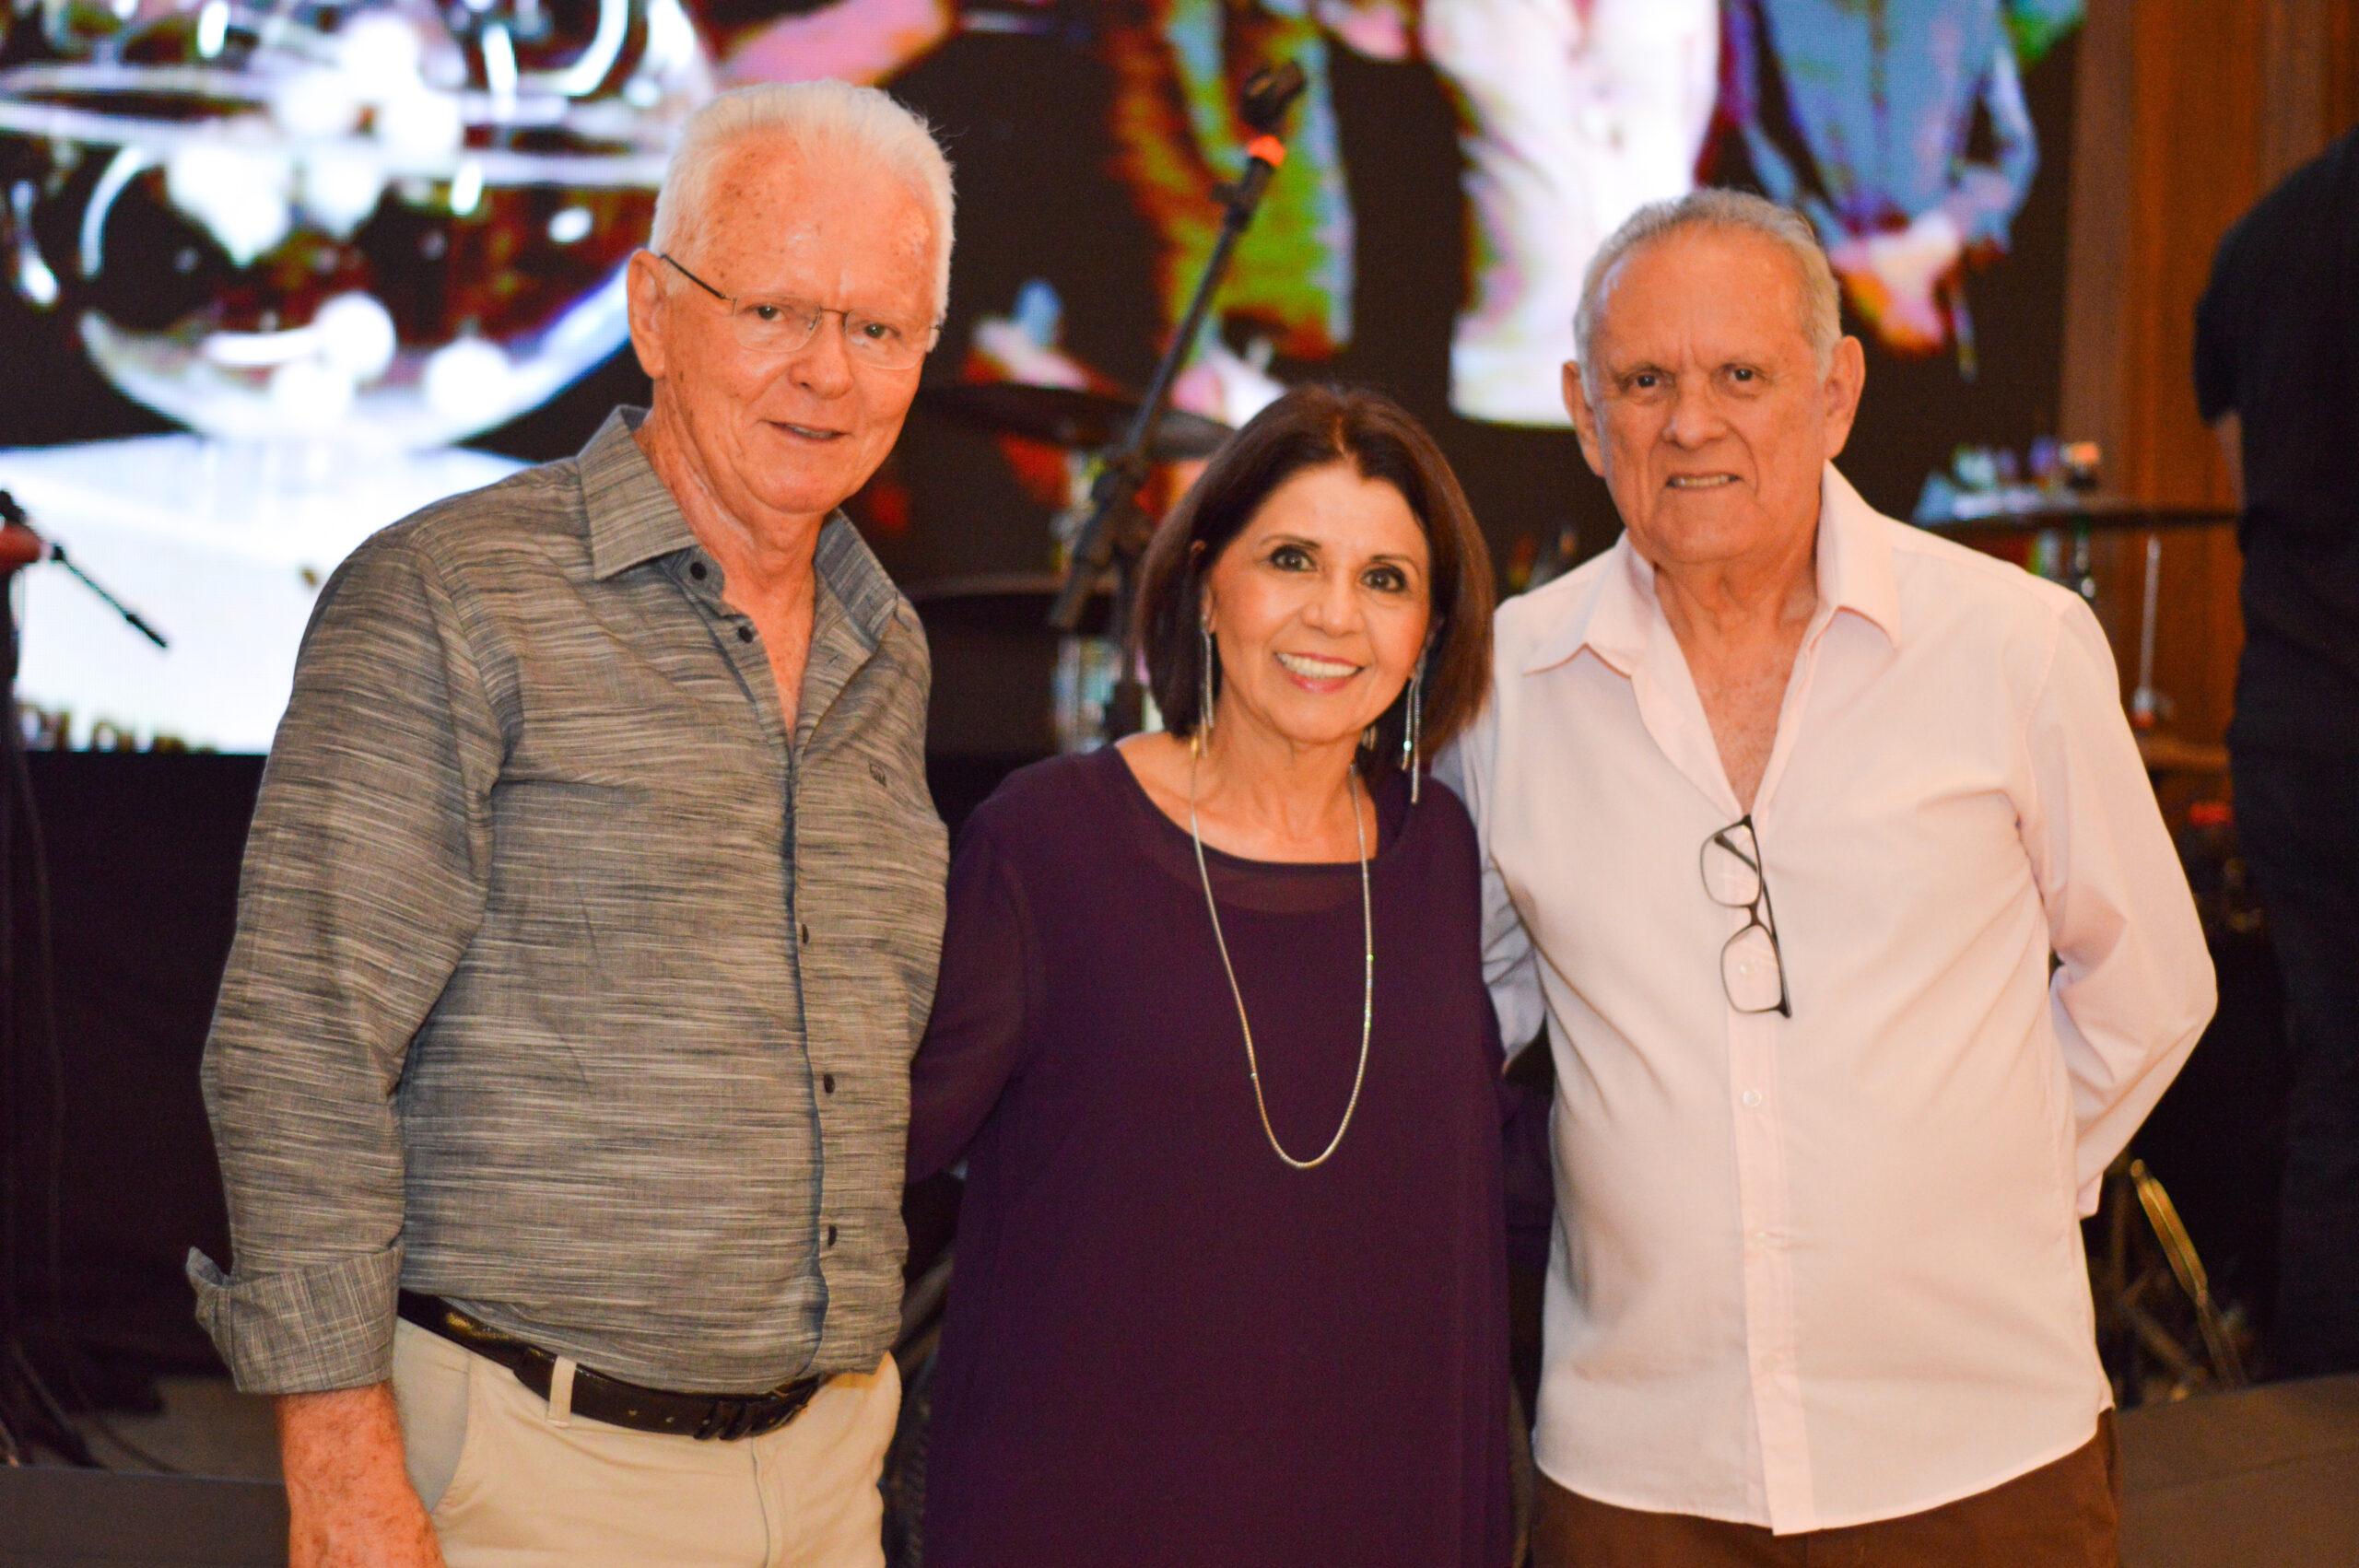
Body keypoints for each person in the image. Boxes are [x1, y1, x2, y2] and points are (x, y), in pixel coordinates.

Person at [188, 81, 955, 1567]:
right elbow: (301, 1044)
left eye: (879, 328)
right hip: (520, 1482)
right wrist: (338, 1461)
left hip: (825, 1480)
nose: (828, 371)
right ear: (654, 312)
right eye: (776, 310)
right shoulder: (450, 596)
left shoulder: (888, 645)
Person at [1440, 189, 2214, 1564]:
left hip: (1978, 1448)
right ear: (1584, 413)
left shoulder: (2014, 644)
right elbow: (1466, 1010)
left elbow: (2147, 983)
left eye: (1741, 375)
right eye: (1645, 381)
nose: (1691, 423)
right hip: (1639, 1469)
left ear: (1836, 391)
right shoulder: (1509, 685)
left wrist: (1980, 1194)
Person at [906, 384, 1529, 1566]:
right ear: (1204, 582)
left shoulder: (1440, 854)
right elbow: (896, 1149)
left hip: (1381, 1509)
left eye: (1385, 579)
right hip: (1093, 1513)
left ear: (1432, 630)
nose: (1333, 615)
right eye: (1291, 559)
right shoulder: (1048, 842)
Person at [2194, 124, 2359, 1380]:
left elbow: (2240, 463)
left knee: (2338, 1085)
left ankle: (2314, 1426)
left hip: (2297, 716)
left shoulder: (2267, 233)